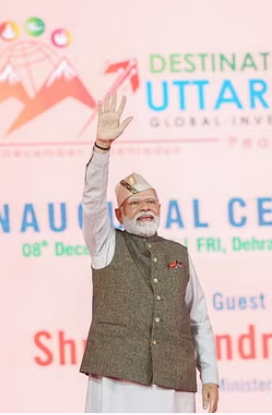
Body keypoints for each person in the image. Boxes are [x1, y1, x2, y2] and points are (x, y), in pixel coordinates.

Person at [79, 92, 219, 413]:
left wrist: (210, 376)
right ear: (119, 214)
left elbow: (199, 319)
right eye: (135, 203)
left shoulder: (178, 254)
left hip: (173, 381)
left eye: (150, 202)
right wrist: (102, 147)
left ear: (159, 208)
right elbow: (92, 201)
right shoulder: (105, 244)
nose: (145, 208)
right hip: (117, 380)